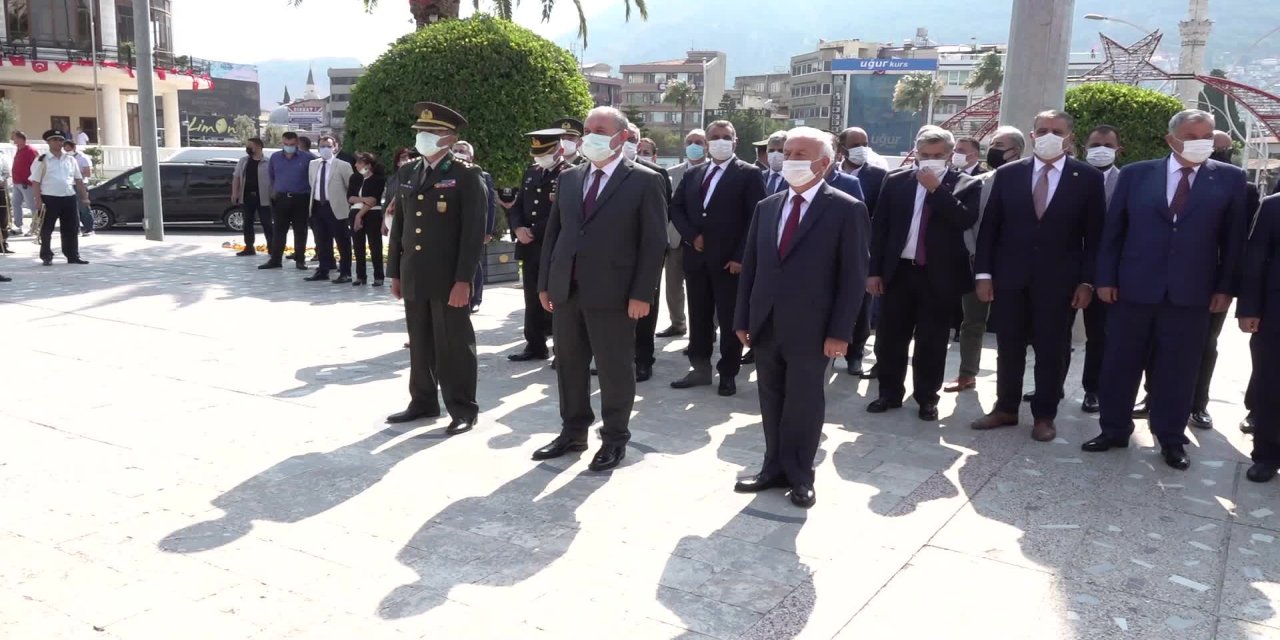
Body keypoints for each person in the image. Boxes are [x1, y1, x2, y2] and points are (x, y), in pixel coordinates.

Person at [1084, 109, 1249, 471]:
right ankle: (1113, 429)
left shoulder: (1231, 179)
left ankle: (1171, 437)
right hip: (1132, 288)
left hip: (1192, 294)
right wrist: (1106, 279)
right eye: (1191, 136)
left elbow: (1233, 241)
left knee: (1179, 368)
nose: (1200, 143)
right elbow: (1114, 232)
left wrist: (1226, 288)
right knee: (1119, 363)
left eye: (1206, 135)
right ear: (1171, 139)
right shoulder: (1136, 175)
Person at [732, 126, 869, 508]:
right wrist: (742, 318)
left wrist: (842, 332)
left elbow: (853, 278)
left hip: (815, 329)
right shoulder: (767, 206)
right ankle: (772, 467)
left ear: (824, 163)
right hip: (766, 323)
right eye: (787, 152)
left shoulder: (846, 209)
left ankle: (800, 475)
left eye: (799, 155)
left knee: (804, 403)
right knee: (771, 399)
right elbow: (753, 268)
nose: (789, 160)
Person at [532, 106, 667, 472]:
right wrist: (546, 282)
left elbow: (654, 243)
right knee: (569, 367)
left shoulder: (644, 180)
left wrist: (643, 294)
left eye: (600, 129)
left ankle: (614, 439)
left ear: (622, 137)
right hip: (567, 290)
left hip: (615, 293)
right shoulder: (571, 178)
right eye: (587, 129)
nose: (589, 135)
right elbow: (554, 235)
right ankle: (572, 432)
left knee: (613, 369)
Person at [969, 110, 1106, 442]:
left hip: (1061, 283)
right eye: (1042, 129)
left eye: (1056, 131)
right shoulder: (1009, 174)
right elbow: (990, 229)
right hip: (1010, 278)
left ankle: (1045, 414)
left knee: (1051, 348)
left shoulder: (1086, 178)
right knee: (1009, 346)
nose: (1049, 136)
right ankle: (1005, 408)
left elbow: (1096, 237)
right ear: (1031, 136)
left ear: (1070, 137)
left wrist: (1087, 281)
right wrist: (984, 275)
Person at [1130, 131, 1261, 430]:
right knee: (1157, 341)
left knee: (1203, 345)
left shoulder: (1242, 186)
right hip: (1159, 280)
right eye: (1215, 146)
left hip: (1207, 284)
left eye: (1222, 148)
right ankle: (1153, 398)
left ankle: (1197, 403)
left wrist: (1227, 286)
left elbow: (1239, 242)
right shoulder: (1156, 178)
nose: (1216, 151)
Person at [385, 101, 486, 436]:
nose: (423, 138)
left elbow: (472, 234)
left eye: (430, 132)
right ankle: (423, 401)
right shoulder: (409, 172)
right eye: (420, 132)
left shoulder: (465, 174)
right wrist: (395, 272)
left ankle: (462, 408)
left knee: (454, 344)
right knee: (420, 340)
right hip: (415, 271)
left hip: (448, 276)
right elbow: (400, 225)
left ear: (448, 137)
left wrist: (463, 280)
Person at [866, 127, 980, 421]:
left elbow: (964, 218)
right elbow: (879, 230)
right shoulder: (895, 180)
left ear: (949, 155)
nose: (930, 160)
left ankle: (927, 397)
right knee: (890, 338)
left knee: (932, 340)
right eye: (925, 155)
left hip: (939, 275)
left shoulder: (966, 183)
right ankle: (888, 393)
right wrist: (874, 271)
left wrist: (935, 189)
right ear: (916, 153)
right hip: (899, 272)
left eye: (937, 156)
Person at [669, 120, 766, 397]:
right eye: (714, 137)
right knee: (698, 317)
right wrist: (691, 235)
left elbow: (755, 219)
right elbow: (676, 208)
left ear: (735, 142)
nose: (719, 141)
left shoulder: (748, 174)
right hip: (697, 259)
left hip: (730, 264)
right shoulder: (694, 174)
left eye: (726, 137)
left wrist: (741, 257)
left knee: (729, 319)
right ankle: (699, 368)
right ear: (707, 141)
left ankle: (728, 372)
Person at [946, 126, 1026, 393]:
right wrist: (973, 255)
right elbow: (972, 222)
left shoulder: (1030, 180)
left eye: (999, 144)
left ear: (1015, 150)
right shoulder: (983, 181)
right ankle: (967, 373)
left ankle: (1011, 384)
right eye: (992, 143)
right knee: (972, 320)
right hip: (979, 261)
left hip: (1017, 265)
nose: (993, 149)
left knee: (1015, 327)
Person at [507, 129, 566, 363]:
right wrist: (518, 228)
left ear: (559, 150)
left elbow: (561, 211)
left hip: (553, 245)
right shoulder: (531, 173)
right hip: (529, 246)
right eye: (537, 153)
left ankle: (562, 350)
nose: (539, 157)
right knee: (531, 297)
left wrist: (534, 230)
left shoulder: (569, 174)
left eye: (545, 152)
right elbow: (517, 206)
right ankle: (534, 344)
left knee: (558, 298)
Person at [839, 126, 890, 377]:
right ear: (841, 148)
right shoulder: (830, 174)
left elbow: (882, 216)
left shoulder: (879, 175)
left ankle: (855, 353)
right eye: (855, 143)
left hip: (863, 247)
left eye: (865, 143)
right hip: (832, 248)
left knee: (861, 304)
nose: (861, 148)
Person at [626, 122, 673, 382]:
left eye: (633, 139)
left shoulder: (655, 174)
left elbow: (662, 215)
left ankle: (644, 359)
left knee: (646, 308)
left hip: (645, 253)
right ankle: (617, 356)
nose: (628, 144)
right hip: (613, 256)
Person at [1238, 192, 1280, 483]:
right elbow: (1254, 260)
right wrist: (1248, 309)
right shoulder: (1273, 206)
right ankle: (1266, 454)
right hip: (1274, 314)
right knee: (1270, 385)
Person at [657, 128, 708, 339]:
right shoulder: (672, 173)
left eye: (699, 142)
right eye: (690, 142)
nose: (694, 146)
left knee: (702, 289)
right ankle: (677, 323)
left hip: (702, 241)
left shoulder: (713, 172)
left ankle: (704, 330)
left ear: (707, 146)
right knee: (673, 286)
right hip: (675, 239)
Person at [31, 129, 91, 266]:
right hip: (49, 198)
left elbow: (78, 180)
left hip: (68, 197)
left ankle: (72, 255)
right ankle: (47, 255)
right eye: (55, 140)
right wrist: (38, 200)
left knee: (72, 228)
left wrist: (84, 197)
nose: (58, 142)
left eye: (60, 140)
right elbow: (35, 181)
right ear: (48, 142)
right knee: (46, 229)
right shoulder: (42, 160)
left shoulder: (70, 159)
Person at [451, 140, 496, 312]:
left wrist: (487, 231)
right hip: (455, 228)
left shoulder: (482, 175)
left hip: (475, 228)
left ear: (471, 155)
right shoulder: (447, 174)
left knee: (474, 263)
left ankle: (475, 298)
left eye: (462, 150)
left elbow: (490, 204)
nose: (458, 152)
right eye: (455, 150)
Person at [305, 135, 355, 284]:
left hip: (336, 208)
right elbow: (311, 183)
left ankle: (345, 272)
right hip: (318, 207)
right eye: (322, 146)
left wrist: (347, 204)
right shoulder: (313, 164)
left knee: (342, 241)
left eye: (328, 146)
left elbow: (351, 186)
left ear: (335, 147)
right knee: (321, 241)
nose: (325, 149)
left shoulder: (343, 165)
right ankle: (323, 270)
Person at [261, 132, 315, 270]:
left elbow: (314, 177)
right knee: (279, 230)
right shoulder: (275, 157)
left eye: (291, 145)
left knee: (300, 231)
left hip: (301, 198)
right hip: (281, 198)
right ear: (282, 143)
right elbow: (272, 176)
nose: (289, 147)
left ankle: (300, 260)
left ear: (297, 143)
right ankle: (275, 260)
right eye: (286, 144)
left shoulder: (308, 158)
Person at [348, 152, 386, 286]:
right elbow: (351, 197)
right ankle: (360, 276)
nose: (356, 165)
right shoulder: (354, 178)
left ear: (368, 165)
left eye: (359, 163)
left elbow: (374, 200)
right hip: (355, 211)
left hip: (372, 214)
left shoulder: (378, 179)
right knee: (358, 246)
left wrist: (360, 215)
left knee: (375, 245)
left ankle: (378, 276)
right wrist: (363, 200)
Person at [231, 137, 273, 257]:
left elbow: (274, 180)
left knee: (267, 223)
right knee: (247, 222)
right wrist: (235, 193)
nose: (248, 148)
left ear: (258, 147)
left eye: (250, 146)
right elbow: (236, 177)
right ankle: (249, 247)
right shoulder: (244, 161)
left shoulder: (268, 162)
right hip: (247, 196)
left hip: (264, 197)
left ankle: (272, 248)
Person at [62, 140, 95, 236]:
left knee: (83, 207)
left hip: (80, 184)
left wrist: (75, 174)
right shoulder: (65, 158)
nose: (67, 151)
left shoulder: (83, 158)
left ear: (74, 148)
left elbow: (88, 173)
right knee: (72, 208)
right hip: (69, 185)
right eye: (65, 149)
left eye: (69, 149)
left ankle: (89, 228)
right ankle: (76, 229)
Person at [11, 130, 38, 235]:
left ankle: (35, 227)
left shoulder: (31, 150)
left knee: (32, 205)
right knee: (16, 204)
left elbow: (38, 166)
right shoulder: (18, 150)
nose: (13, 140)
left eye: (15, 138)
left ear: (21, 139)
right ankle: (18, 226)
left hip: (27, 183)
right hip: (17, 182)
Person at [761, 131, 788, 196]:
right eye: (771, 150)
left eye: (780, 151)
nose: (775, 155)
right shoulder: (759, 176)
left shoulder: (794, 180)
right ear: (767, 152)